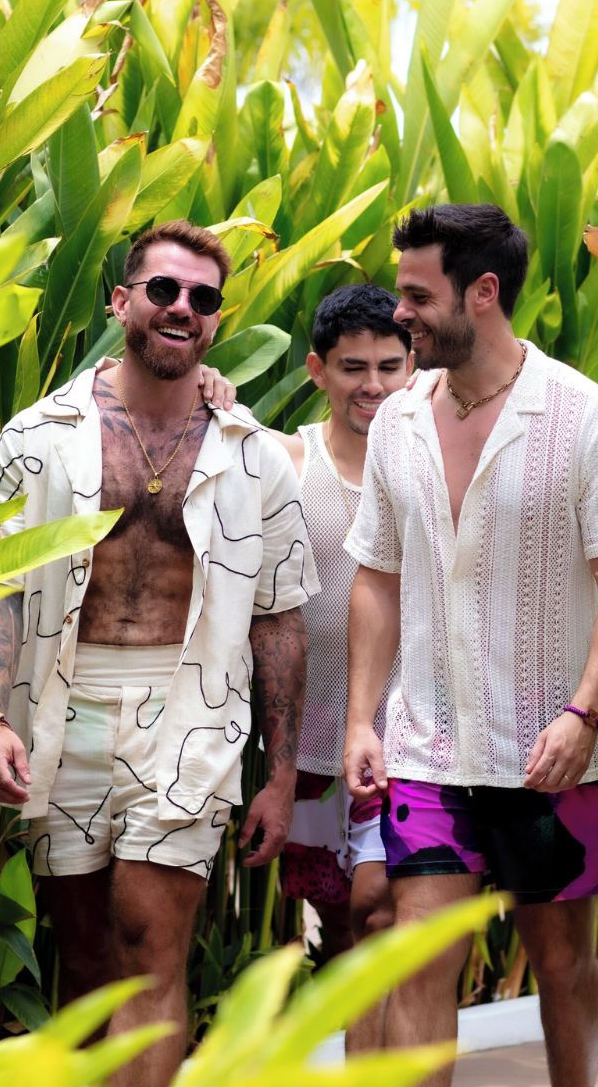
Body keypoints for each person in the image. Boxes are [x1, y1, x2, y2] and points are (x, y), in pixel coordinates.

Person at [0, 219, 318, 1087]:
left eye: (203, 299)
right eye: (164, 290)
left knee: (149, 944)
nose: (182, 308)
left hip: (191, 714)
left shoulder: (253, 457)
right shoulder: (35, 438)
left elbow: (278, 616)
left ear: (215, 322)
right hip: (60, 707)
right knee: (85, 958)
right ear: (122, 301)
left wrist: (279, 774)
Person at [343, 203, 598, 1087]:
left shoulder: (583, 416)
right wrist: (363, 721)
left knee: (563, 966)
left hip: (549, 756)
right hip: (428, 750)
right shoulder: (398, 421)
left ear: (483, 293)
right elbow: (376, 575)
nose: (398, 312)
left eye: (415, 295)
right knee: (418, 958)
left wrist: (584, 714)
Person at [269, 283, 411, 1049]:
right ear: (318, 370)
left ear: (416, 367)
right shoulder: (289, 463)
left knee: (383, 912)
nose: (374, 386)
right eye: (354, 367)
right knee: (346, 935)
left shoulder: (431, 471)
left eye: (391, 365)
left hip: (409, 747)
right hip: (313, 755)